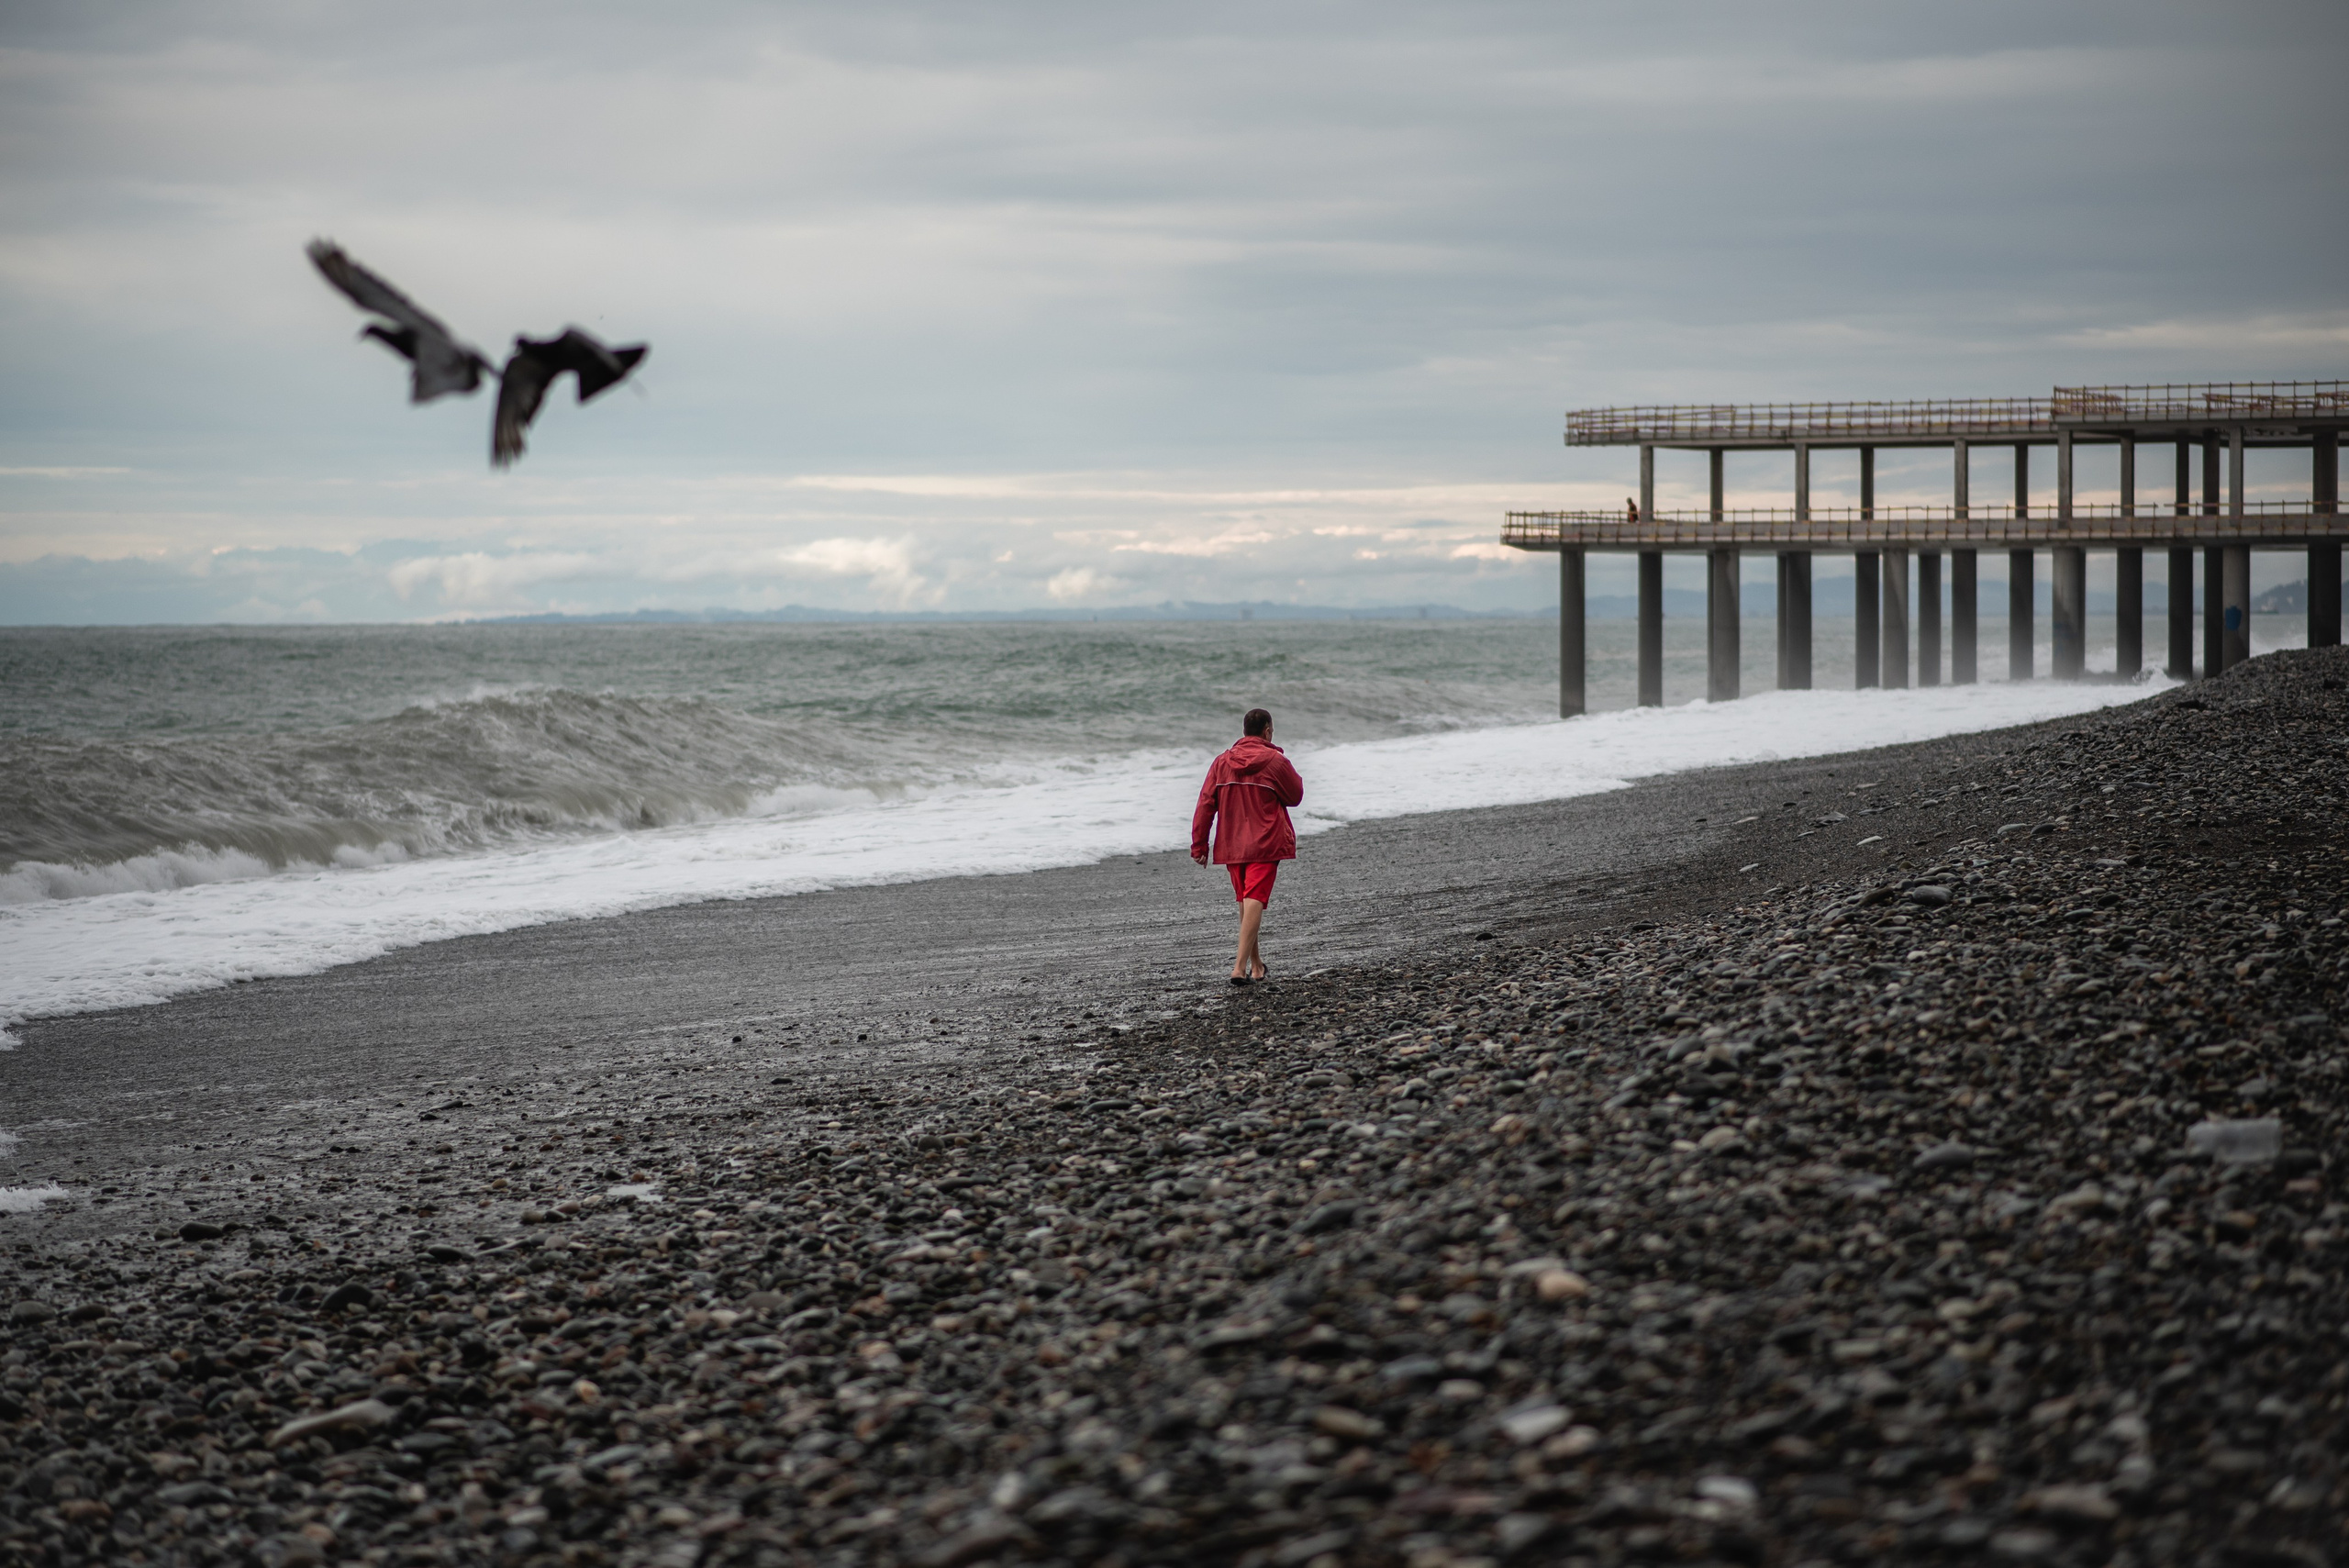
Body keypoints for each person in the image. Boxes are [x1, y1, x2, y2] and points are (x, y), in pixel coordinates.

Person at [1190, 707, 1304, 985]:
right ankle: (1239, 968)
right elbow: (1295, 795)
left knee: (1246, 900)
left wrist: (1199, 844)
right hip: (1265, 840)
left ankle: (1257, 966)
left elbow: (1205, 803)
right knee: (1254, 899)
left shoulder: (1221, 762)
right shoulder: (1275, 761)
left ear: (1244, 732)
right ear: (1267, 731)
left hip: (1232, 842)